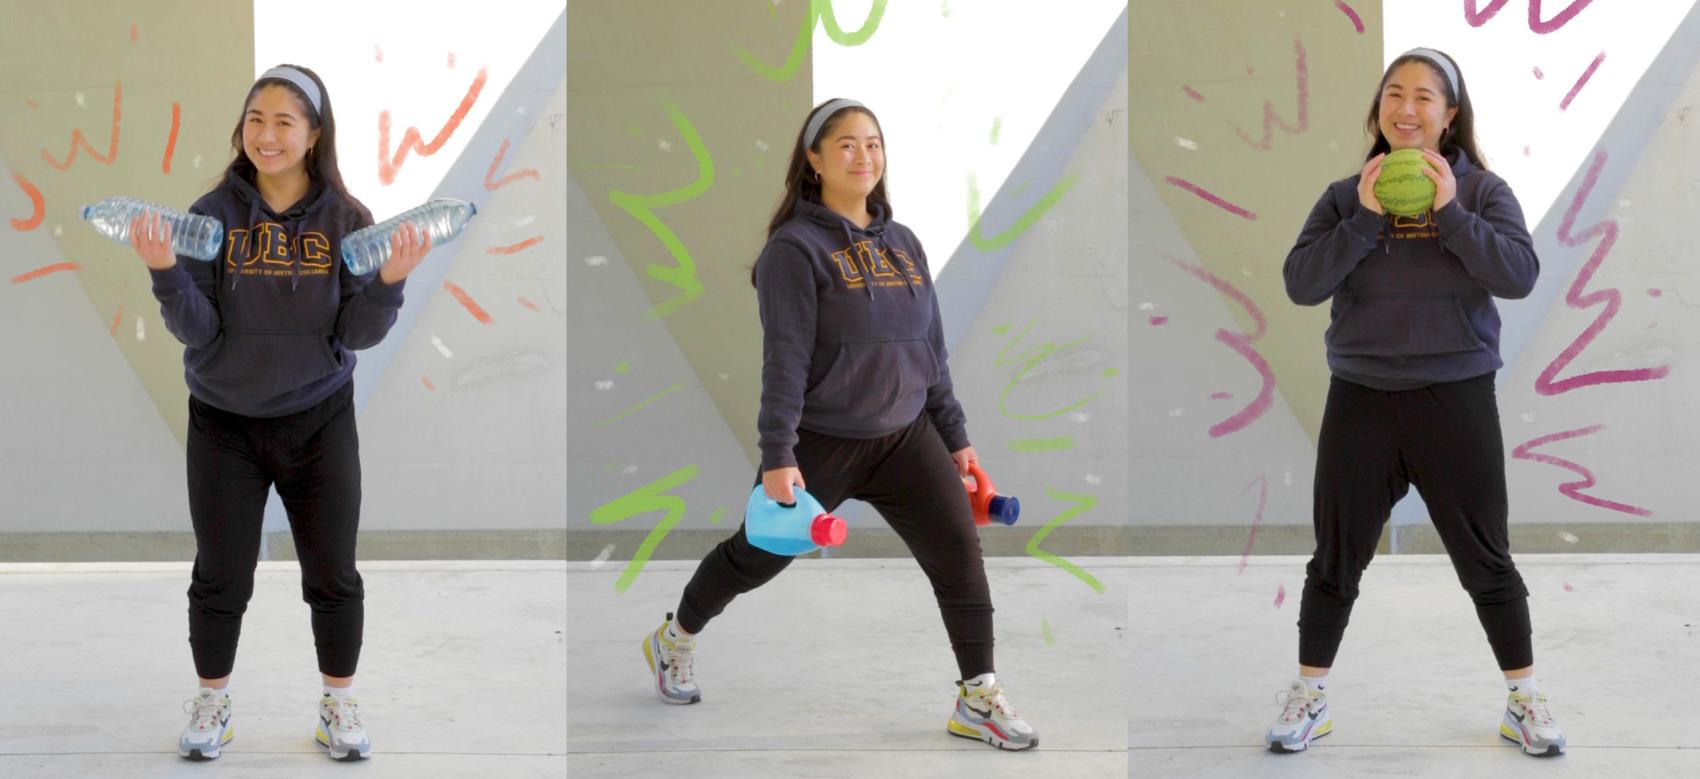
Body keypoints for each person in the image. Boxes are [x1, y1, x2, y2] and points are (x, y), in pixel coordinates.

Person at [639, 98, 1037, 751]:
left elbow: (930, 354)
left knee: (961, 556)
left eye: (873, 143)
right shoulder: (794, 251)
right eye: (846, 144)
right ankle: (674, 637)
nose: (863, 156)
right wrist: (777, 451)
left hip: (907, 436)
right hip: (823, 439)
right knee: (757, 556)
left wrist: (957, 439)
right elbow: (785, 359)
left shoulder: (903, 242)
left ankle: (978, 696)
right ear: (815, 160)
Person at [1269, 48, 1563, 757]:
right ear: (1379, 111)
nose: (1407, 106)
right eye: (1394, 94)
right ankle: (1309, 695)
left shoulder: (1484, 192)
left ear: (1450, 115)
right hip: (1361, 399)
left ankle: (1524, 699)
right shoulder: (1345, 195)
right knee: (1336, 558)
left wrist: (1451, 212)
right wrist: (1365, 219)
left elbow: (1520, 274)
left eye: (1425, 96)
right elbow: (1301, 285)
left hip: (1454, 397)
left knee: (1487, 560)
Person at [134, 64, 430, 762]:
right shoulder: (211, 216)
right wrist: (162, 270)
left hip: (318, 419)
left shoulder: (347, 220)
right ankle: (213, 703)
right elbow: (200, 331)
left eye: (284, 121)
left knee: (333, 573)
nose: (266, 135)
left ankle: (338, 705)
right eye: (256, 120)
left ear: (314, 134)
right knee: (221, 574)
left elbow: (355, 333)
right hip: (223, 422)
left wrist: (390, 281)